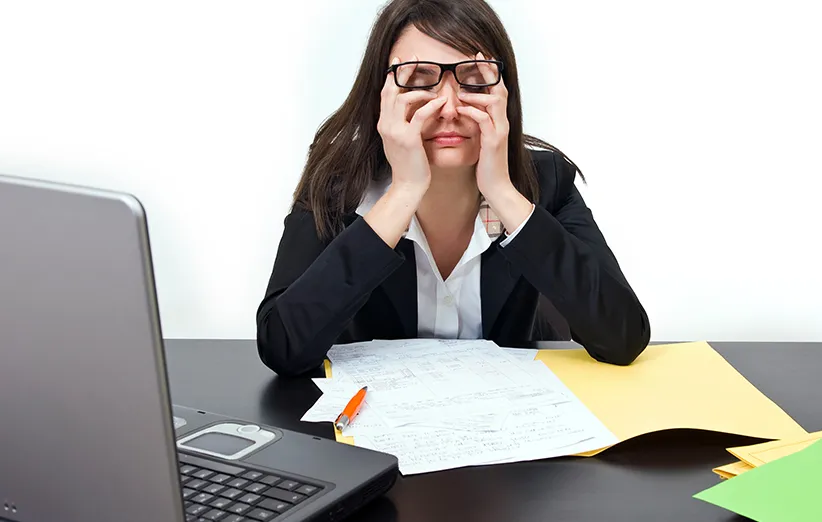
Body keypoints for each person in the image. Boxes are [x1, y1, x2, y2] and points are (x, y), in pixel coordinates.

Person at [256, 0, 650, 377]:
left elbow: (623, 337)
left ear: (504, 95)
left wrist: (502, 190)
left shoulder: (548, 182)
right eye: (419, 80)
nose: (448, 108)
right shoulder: (336, 186)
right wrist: (403, 192)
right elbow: (283, 347)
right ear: (382, 97)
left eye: (474, 82)